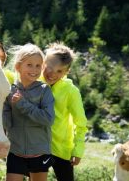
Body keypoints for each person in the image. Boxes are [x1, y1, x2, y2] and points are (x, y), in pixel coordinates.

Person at [3, 44, 55, 181]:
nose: (34, 69)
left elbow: (48, 119)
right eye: (30, 65)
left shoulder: (45, 90)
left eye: (38, 66)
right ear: (18, 67)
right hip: (16, 152)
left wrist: (22, 104)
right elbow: (7, 123)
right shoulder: (10, 91)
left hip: (40, 153)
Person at [41, 42, 88, 181]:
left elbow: (81, 123)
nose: (52, 73)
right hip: (36, 146)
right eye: (49, 67)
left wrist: (78, 150)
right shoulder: (34, 83)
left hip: (61, 150)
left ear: (67, 72)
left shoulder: (71, 91)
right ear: (43, 62)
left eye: (59, 71)